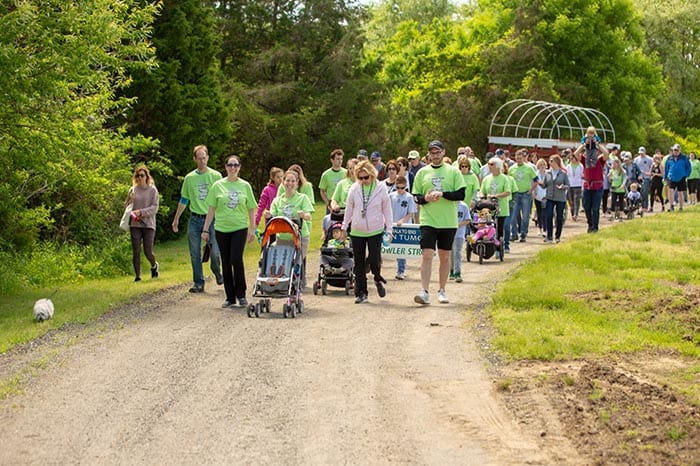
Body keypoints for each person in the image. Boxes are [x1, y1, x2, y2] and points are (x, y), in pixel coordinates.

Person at [412, 140, 466, 305]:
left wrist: (442, 194)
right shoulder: (422, 173)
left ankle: (442, 290)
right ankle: (424, 291)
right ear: (428, 155)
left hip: (448, 221)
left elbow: (461, 194)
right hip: (428, 220)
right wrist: (426, 198)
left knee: (444, 256)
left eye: (437, 152)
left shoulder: (453, 172)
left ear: (443, 153)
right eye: (432, 153)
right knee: (427, 255)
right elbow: (416, 196)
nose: (435, 156)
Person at [202, 155, 257, 309]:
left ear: (239, 167)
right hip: (221, 229)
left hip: (239, 228)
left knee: (236, 259)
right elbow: (211, 208)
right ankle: (230, 296)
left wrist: (252, 228)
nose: (233, 168)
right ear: (225, 167)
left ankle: (241, 294)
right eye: (230, 165)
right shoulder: (217, 186)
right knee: (225, 262)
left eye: (236, 165)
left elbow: (252, 207)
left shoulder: (245, 186)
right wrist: (206, 229)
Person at [171, 145, 224, 293]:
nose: (202, 161)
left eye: (204, 158)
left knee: (215, 252)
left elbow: (222, 198)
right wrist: (176, 219)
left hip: (212, 219)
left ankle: (217, 272)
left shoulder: (216, 176)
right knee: (194, 252)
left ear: (207, 158)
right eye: (199, 158)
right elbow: (184, 199)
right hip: (195, 218)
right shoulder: (189, 178)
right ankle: (198, 282)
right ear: (195, 159)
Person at [340, 160, 393, 304]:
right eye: (361, 178)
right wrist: (344, 227)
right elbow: (349, 208)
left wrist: (389, 230)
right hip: (357, 230)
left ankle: (377, 277)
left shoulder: (381, 188)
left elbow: (387, 210)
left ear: (372, 175)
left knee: (375, 260)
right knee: (358, 263)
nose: (364, 180)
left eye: (366, 177)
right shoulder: (354, 189)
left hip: (375, 229)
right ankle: (361, 293)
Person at [264, 169, 314, 287]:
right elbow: (273, 216)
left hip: (299, 237)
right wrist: (268, 215)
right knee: (282, 262)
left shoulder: (302, 198)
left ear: (297, 183)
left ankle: (296, 286)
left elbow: (309, 216)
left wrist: (303, 215)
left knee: (295, 264)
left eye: (293, 181)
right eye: (287, 180)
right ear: (283, 182)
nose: (290, 183)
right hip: (282, 238)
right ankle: (280, 284)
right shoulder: (277, 200)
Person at [126, 165, 159, 282]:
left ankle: (154, 265)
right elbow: (127, 207)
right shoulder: (132, 190)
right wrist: (129, 201)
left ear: (146, 177)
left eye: (142, 175)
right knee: (136, 250)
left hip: (148, 224)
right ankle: (137, 276)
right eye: (137, 175)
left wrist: (141, 212)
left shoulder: (152, 190)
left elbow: (155, 208)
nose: (139, 178)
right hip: (135, 224)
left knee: (147, 251)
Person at [574, 133, 609, 233]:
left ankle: (595, 227)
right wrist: (584, 145)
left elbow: (606, 154)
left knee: (595, 207)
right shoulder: (585, 160)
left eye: (593, 151)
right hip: (587, 186)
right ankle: (590, 224)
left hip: (597, 186)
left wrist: (597, 144)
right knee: (586, 207)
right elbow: (576, 154)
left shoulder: (599, 160)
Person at [479, 157, 511, 250]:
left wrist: (496, 196)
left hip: (501, 207)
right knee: (489, 227)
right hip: (489, 209)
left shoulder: (504, 178)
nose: (489, 166)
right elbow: (482, 191)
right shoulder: (486, 179)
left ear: (497, 166)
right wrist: (482, 196)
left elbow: (507, 192)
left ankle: (499, 247)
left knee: (499, 228)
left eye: (492, 164)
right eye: (489, 164)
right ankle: (488, 245)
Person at [389, 175, 416, 280]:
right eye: (398, 188)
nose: (400, 190)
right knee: (389, 247)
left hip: (404, 225)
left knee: (401, 249)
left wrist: (402, 220)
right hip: (392, 225)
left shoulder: (409, 197)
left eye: (402, 188)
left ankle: (401, 270)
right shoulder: (391, 196)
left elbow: (411, 213)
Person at [508, 149, 537, 242]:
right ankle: (514, 233)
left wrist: (531, 190)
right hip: (516, 194)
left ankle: (523, 233)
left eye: (520, 158)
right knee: (513, 216)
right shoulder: (512, 169)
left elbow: (536, 179)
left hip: (525, 194)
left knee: (525, 216)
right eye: (517, 158)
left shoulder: (529, 168)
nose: (519, 160)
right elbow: (509, 181)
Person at [538, 155, 569, 243]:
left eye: (552, 161)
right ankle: (549, 236)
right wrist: (538, 182)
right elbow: (544, 185)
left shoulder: (563, 174)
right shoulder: (548, 173)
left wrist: (563, 187)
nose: (550, 162)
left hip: (560, 198)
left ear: (557, 162)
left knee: (559, 217)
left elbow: (568, 186)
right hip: (550, 197)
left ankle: (558, 236)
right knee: (549, 216)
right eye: (550, 161)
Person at [664, 143, 692, 211]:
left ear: (680, 150)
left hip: (681, 177)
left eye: (677, 150)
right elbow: (666, 168)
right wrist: (665, 177)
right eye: (674, 150)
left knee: (680, 192)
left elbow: (688, 167)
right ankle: (671, 206)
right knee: (671, 191)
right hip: (671, 177)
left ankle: (681, 207)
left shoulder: (684, 158)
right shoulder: (669, 158)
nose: (676, 151)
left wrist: (686, 175)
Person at [319, 149, 346, 213]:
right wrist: (328, 202)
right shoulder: (326, 174)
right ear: (332, 160)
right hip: (331, 204)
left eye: (341, 159)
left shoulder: (346, 173)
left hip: (344, 204)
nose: (340, 161)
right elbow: (322, 191)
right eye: (338, 159)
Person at [449, 200, 470, 283]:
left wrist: (458, 224)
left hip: (459, 233)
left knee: (457, 252)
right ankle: (451, 270)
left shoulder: (464, 206)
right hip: (449, 232)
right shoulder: (448, 205)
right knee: (451, 252)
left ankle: (457, 272)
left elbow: (468, 219)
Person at [564, 148, 583, 221]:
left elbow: (582, 175)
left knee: (576, 199)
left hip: (577, 185)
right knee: (571, 200)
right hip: (570, 185)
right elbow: (566, 175)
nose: (571, 159)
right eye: (570, 158)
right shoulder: (568, 166)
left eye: (572, 158)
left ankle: (576, 214)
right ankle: (572, 213)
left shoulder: (580, 166)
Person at [533, 158, 548, 237]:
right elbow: (533, 185)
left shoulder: (548, 174)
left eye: (543, 165)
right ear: (538, 166)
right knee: (539, 213)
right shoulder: (535, 174)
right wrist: (534, 194)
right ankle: (540, 228)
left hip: (546, 196)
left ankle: (545, 229)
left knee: (545, 213)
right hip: (538, 196)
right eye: (540, 165)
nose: (542, 166)